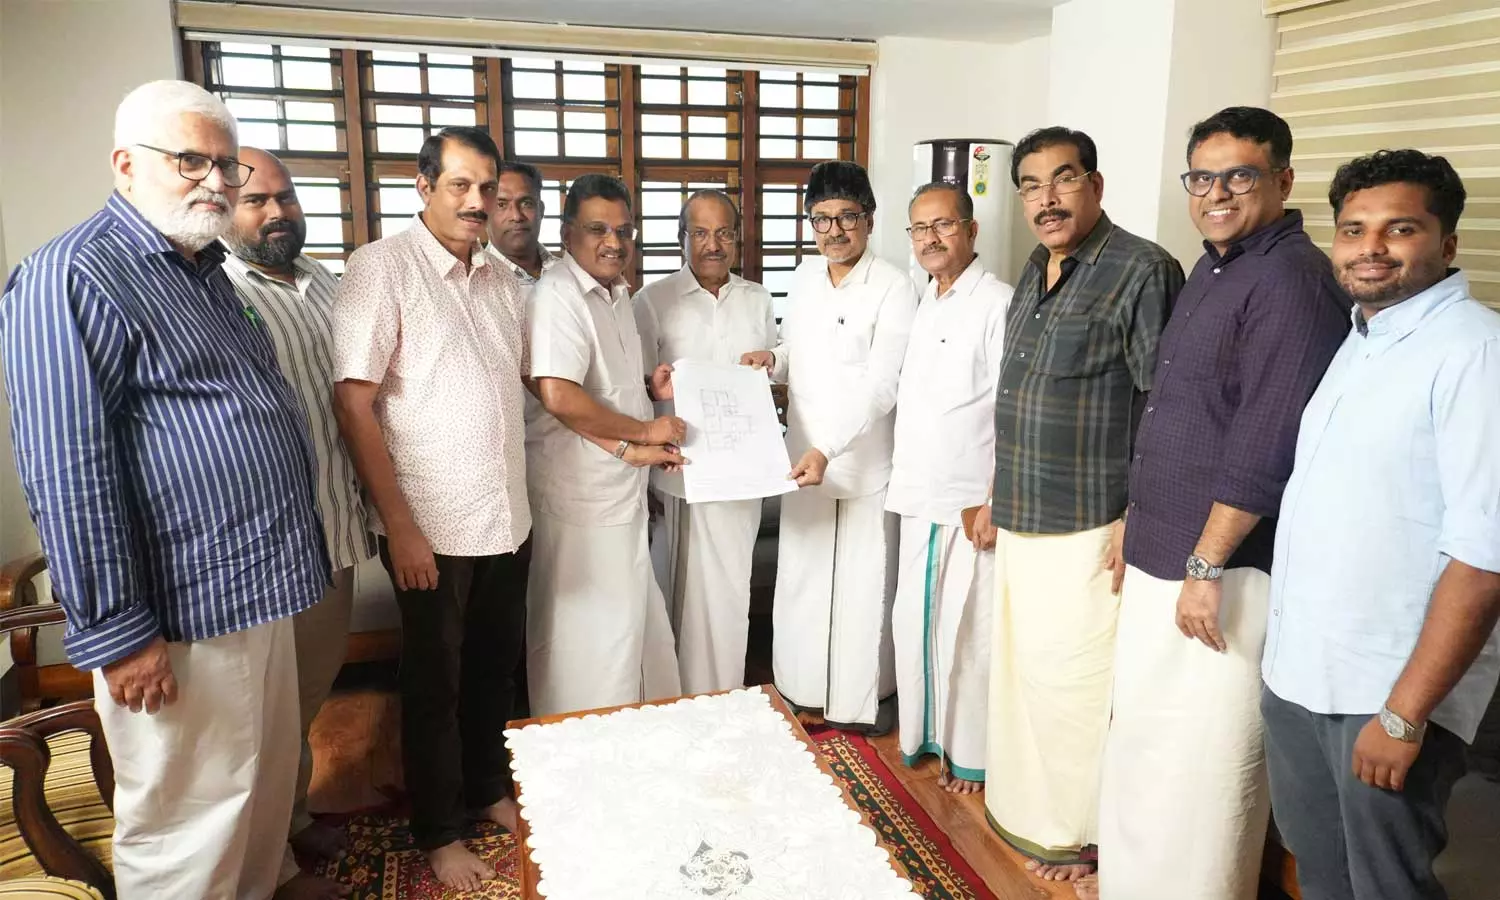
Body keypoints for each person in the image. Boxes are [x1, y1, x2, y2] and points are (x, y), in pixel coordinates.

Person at [0, 80, 341, 900]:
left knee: (256, 786)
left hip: (260, 581)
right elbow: (68, 470)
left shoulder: (205, 269)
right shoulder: (73, 274)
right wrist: (120, 633)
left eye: (225, 164)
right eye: (190, 160)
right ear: (126, 164)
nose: (214, 182)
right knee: (190, 818)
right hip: (180, 605)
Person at [1098, 107, 1350, 900]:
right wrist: (1134, 519)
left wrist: (1206, 564)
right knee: (1146, 736)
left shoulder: (1292, 280)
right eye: (1202, 177)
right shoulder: (1215, 267)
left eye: (1239, 175)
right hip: (1165, 547)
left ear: (1283, 180)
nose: (1217, 192)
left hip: (1224, 571)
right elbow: (1179, 414)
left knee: (1201, 762)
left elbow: (1265, 440)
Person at [1262, 149, 1500, 900]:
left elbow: (1483, 558)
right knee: (1323, 874)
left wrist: (1403, 714)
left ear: (1446, 243)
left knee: (1386, 886)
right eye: (1353, 229)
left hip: (1387, 690)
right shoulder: (1362, 337)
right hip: (1303, 672)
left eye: (1400, 229)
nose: (1371, 247)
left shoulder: (1475, 352)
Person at [976, 126, 1182, 890]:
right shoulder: (1037, 267)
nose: (1047, 199)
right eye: (1031, 186)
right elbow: (1019, 395)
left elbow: (1164, 406)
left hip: (1091, 521)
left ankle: (1089, 836)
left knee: (1079, 689)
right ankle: (1041, 818)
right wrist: (995, 493)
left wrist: (1138, 516)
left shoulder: (1141, 270)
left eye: (1063, 180)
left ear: (1094, 185)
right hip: (1024, 510)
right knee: (1028, 679)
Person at [332, 126, 531, 892]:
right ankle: (439, 830)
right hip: (432, 526)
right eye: (460, 185)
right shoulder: (381, 267)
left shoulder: (504, 278)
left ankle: (486, 789)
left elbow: (538, 380)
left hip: (506, 517)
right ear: (423, 187)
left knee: (493, 670)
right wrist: (402, 527)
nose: (478, 202)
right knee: (434, 683)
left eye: (488, 188)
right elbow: (354, 402)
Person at [221, 146, 374, 869]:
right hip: (264, 543)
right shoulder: (218, 290)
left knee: (309, 689)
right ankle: (260, 855)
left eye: (285, 197)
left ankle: (293, 817)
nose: (277, 212)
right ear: (225, 207)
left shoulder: (325, 282)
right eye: (257, 201)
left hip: (334, 527)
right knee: (258, 710)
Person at [742, 160, 917, 734]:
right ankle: (802, 690)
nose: (834, 230)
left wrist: (829, 447)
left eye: (847, 217)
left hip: (862, 463)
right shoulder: (804, 277)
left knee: (865, 586)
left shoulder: (893, 286)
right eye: (822, 219)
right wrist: (772, 359)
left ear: (870, 219)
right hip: (802, 459)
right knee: (803, 578)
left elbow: (883, 384)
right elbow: (797, 347)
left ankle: (859, 703)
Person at [526, 173, 686, 716]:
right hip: (581, 497)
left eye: (623, 230)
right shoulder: (559, 294)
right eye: (598, 229)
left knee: (629, 627)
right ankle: (585, 743)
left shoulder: (617, 294)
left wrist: (647, 389)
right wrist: (645, 432)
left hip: (622, 490)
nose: (613, 242)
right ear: (568, 232)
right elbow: (559, 394)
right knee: (589, 642)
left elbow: (601, 387)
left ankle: (636, 735)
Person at [887, 182, 1012, 794]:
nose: (930, 238)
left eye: (943, 225)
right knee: (916, 624)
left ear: (971, 230)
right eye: (919, 228)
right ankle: (926, 738)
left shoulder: (998, 302)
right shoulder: (923, 301)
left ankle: (971, 755)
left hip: (967, 499)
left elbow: (1012, 409)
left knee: (968, 632)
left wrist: (995, 498)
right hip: (919, 492)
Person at [634, 189, 777, 693]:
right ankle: (678, 699)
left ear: (737, 238)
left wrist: (771, 362)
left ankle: (724, 696)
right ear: (682, 239)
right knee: (679, 593)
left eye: (723, 233)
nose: (712, 244)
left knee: (731, 592)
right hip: (682, 474)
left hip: (743, 476)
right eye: (699, 232)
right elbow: (636, 388)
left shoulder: (758, 298)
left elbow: (770, 375)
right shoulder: (652, 301)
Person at [485, 159, 559, 297]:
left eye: (526, 203)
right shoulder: (473, 281)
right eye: (501, 205)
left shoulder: (570, 273)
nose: (516, 216)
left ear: (541, 210)